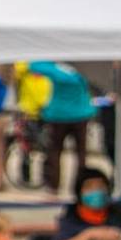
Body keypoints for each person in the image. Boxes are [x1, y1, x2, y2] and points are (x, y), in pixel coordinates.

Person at [29, 60, 98, 193]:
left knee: (55, 151)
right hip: (81, 115)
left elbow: (33, 66)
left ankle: (53, 185)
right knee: (81, 153)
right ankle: (80, 185)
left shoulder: (55, 71)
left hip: (59, 116)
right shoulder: (77, 74)